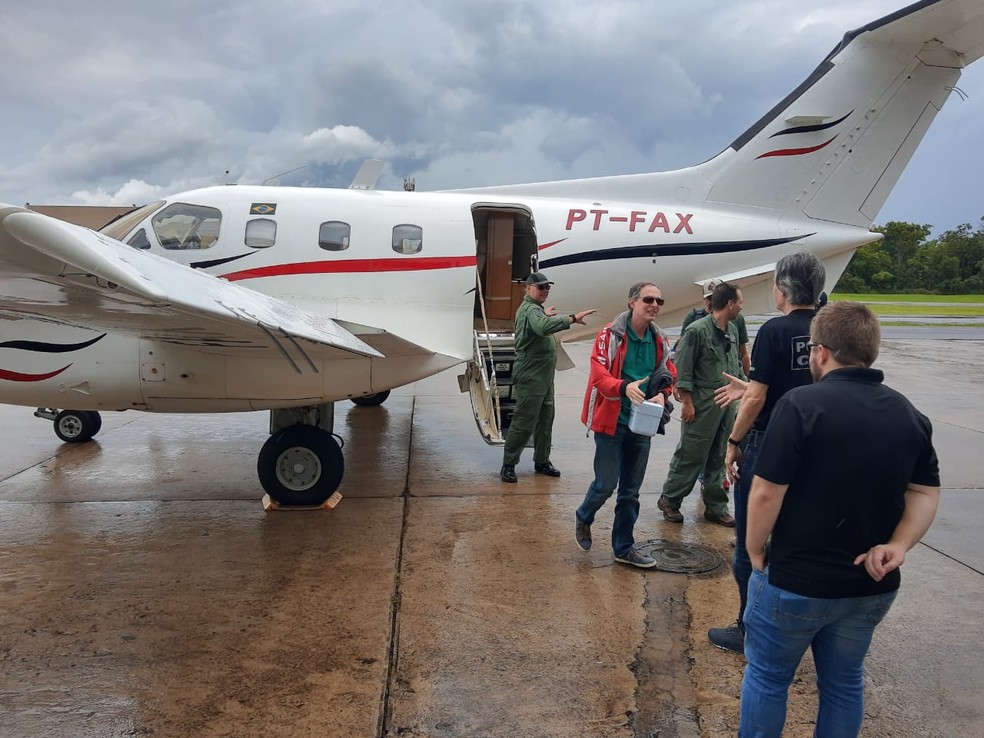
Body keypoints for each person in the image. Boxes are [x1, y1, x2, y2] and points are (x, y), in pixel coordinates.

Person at [738, 301, 940, 737]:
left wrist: (754, 548)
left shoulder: (801, 405)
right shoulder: (910, 415)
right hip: (869, 585)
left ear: (821, 351)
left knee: (769, 679)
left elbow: (767, 491)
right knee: (844, 683)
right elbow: (924, 491)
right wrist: (899, 545)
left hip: (796, 582)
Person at [707, 252, 826, 654]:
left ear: (782, 289)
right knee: (798, 536)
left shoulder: (774, 332)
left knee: (750, 543)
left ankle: (749, 627)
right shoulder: (828, 329)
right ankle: (799, 627)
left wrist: (734, 442)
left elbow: (757, 398)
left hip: (769, 445)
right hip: (816, 450)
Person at [575, 281, 676, 568]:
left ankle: (623, 548)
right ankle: (584, 515)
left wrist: (662, 394)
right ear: (632, 302)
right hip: (611, 421)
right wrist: (623, 388)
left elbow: (669, 373)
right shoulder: (611, 335)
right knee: (606, 484)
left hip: (641, 424)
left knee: (630, 491)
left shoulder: (659, 340)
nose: (654, 305)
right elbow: (598, 375)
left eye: (659, 300)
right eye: (648, 299)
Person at [657, 282, 744, 526]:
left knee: (718, 454)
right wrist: (687, 401)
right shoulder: (697, 331)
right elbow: (683, 368)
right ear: (729, 304)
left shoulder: (733, 329)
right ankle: (670, 499)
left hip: (726, 402)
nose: (741, 306)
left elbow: (735, 362)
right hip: (702, 402)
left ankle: (716, 506)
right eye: (739, 301)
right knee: (691, 453)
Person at [500, 272, 595, 483]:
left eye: (547, 288)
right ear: (528, 288)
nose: (545, 290)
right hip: (532, 375)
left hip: (543, 376)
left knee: (545, 420)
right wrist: (571, 319)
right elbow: (542, 327)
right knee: (524, 420)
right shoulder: (530, 310)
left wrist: (546, 314)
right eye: (540, 287)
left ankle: (542, 460)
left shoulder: (537, 310)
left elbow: (540, 321)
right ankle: (508, 463)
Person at [680, 280, 750, 376]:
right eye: (709, 298)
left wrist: (746, 383)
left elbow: (741, 356)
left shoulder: (735, 324)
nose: (713, 302)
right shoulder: (695, 324)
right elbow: (684, 362)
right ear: (704, 300)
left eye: (715, 297)